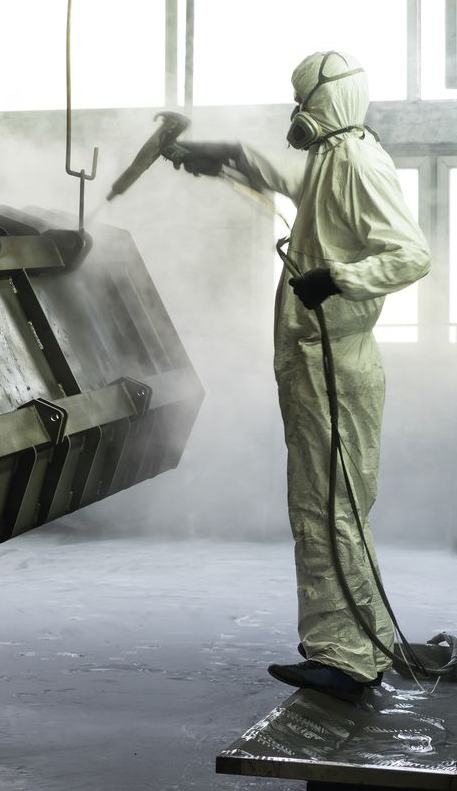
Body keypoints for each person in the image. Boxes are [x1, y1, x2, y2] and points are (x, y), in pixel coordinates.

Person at [169, 51, 430, 703]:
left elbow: (410, 254)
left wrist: (339, 277)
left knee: (330, 510)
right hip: (319, 363)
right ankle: (351, 645)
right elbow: (292, 181)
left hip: (335, 363)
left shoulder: (358, 162)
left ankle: (346, 659)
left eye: (302, 99)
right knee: (327, 508)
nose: (296, 113)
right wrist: (228, 155)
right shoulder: (335, 158)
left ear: (327, 101)